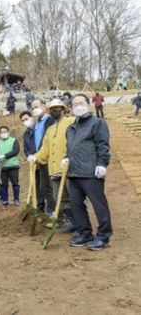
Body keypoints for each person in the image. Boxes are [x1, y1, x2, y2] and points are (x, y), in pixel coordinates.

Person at [64, 93, 112, 250]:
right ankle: (85, 233)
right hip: (74, 172)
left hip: (91, 172)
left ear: (89, 105)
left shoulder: (97, 123)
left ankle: (104, 236)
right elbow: (71, 147)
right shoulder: (71, 128)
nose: (78, 107)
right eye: (74, 105)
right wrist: (66, 158)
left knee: (99, 204)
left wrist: (102, 163)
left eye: (81, 103)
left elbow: (102, 145)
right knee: (76, 204)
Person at [28, 99, 76, 230]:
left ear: (64, 109)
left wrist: (70, 157)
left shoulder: (72, 122)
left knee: (75, 197)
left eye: (58, 108)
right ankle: (72, 222)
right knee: (60, 199)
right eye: (53, 109)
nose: (55, 111)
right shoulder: (50, 130)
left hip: (70, 167)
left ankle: (82, 224)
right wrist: (35, 157)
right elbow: (45, 150)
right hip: (54, 169)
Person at [29, 99, 56, 216]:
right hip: (39, 158)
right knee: (42, 187)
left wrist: (40, 153)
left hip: (49, 157)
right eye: (32, 108)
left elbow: (47, 140)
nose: (35, 109)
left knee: (48, 187)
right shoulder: (36, 124)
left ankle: (57, 211)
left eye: (37, 106)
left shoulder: (50, 120)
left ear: (44, 106)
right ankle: (56, 211)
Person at [0, 126, 20, 206]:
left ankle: (16, 200)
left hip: (13, 165)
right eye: (2, 132)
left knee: (15, 183)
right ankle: (5, 200)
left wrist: (5, 156)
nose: (3, 133)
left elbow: (16, 150)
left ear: (8, 132)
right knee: (4, 184)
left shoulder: (14, 140)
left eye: (5, 131)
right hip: (3, 167)